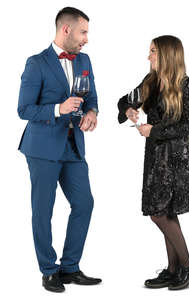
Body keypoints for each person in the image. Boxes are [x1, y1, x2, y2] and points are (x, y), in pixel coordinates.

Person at [17, 7, 102, 293]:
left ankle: (70, 267)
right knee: (43, 211)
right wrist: (58, 108)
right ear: (66, 30)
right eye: (83, 32)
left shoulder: (85, 60)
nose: (86, 39)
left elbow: (91, 95)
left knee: (84, 203)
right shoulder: (36, 63)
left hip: (73, 145)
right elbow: (24, 109)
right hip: (42, 147)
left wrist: (92, 112)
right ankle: (48, 270)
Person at [117, 35, 189, 290]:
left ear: (166, 54)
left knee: (159, 213)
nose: (148, 56)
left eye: (152, 51)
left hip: (176, 158)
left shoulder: (188, 85)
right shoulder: (149, 82)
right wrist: (128, 110)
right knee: (165, 210)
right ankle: (173, 269)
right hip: (155, 158)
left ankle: (187, 265)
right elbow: (124, 101)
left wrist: (153, 131)